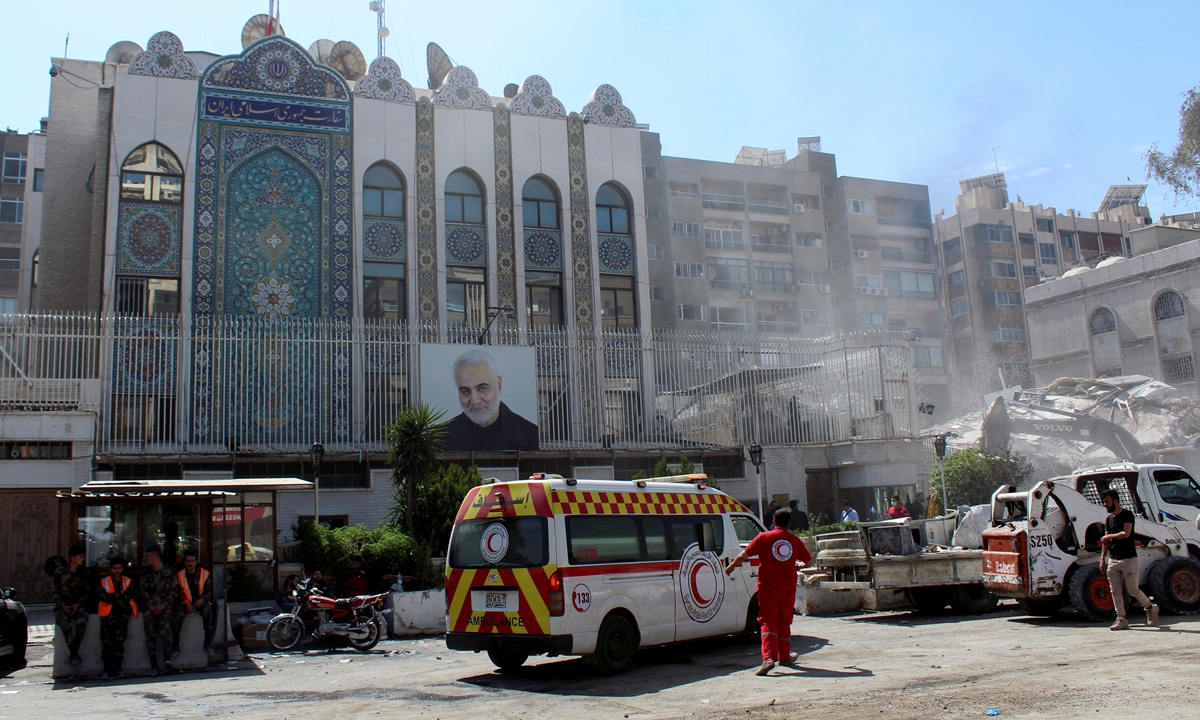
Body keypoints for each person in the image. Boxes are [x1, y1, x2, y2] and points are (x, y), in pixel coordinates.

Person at [725, 508, 812, 676]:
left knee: (767, 622)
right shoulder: (794, 540)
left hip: (767, 589)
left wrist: (731, 567)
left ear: (773, 521)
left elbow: (744, 555)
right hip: (787, 590)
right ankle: (785, 656)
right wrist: (797, 566)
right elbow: (808, 562)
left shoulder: (764, 538)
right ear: (789, 523)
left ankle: (768, 658)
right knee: (784, 622)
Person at [442, 349, 539, 451]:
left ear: (499, 385)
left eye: (482, 388)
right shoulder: (438, 442)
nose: (475, 401)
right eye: (465, 391)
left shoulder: (532, 437)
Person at [1099, 489, 1158, 630]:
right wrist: (1102, 559)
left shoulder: (1127, 515)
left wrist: (1109, 537)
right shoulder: (1109, 519)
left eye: (1107, 502)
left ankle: (1150, 608)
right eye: (1104, 503)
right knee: (1115, 591)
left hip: (1129, 559)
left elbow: (1126, 533)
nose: (1105, 505)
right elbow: (1105, 542)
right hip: (1113, 559)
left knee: (1133, 590)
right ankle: (1121, 619)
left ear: (1116, 501)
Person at [139, 545, 177, 675]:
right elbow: (143, 592)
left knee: (166, 630)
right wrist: (151, 606)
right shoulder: (146, 575)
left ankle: (167, 660)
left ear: (155, 555)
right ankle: (153, 665)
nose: (145, 558)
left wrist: (163, 605)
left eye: (147, 555)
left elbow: (174, 591)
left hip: (164, 608)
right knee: (150, 635)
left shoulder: (170, 572)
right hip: (150, 609)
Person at [98, 556, 138, 678]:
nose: (116, 571)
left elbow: (128, 597)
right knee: (106, 643)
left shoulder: (128, 581)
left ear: (123, 569)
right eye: (114, 568)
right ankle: (107, 669)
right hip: (107, 617)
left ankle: (118, 668)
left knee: (119, 643)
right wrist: (118, 596)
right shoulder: (104, 581)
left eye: (119, 568)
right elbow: (103, 597)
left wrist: (114, 597)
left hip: (122, 616)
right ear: (110, 569)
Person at [52, 545, 89, 667]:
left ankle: (74, 652)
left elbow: (86, 592)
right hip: (63, 606)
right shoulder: (60, 572)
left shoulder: (84, 573)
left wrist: (78, 604)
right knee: (65, 623)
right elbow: (55, 592)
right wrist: (62, 606)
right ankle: (74, 653)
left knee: (82, 621)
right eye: (81, 556)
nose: (83, 559)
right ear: (73, 558)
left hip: (77, 605)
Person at [173, 550, 215, 656]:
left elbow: (208, 591)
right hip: (184, 603)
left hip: (200, 601)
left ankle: (208, 644)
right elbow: (174, 593)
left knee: (208, 612)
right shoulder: (179, 575)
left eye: (192, 561)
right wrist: (185, 605)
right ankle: (175, 646)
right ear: (184, 562)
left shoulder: (204, 574)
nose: (190, 563)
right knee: (177, 615)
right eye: (188, 561)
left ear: (196, 562)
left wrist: (202, 600)